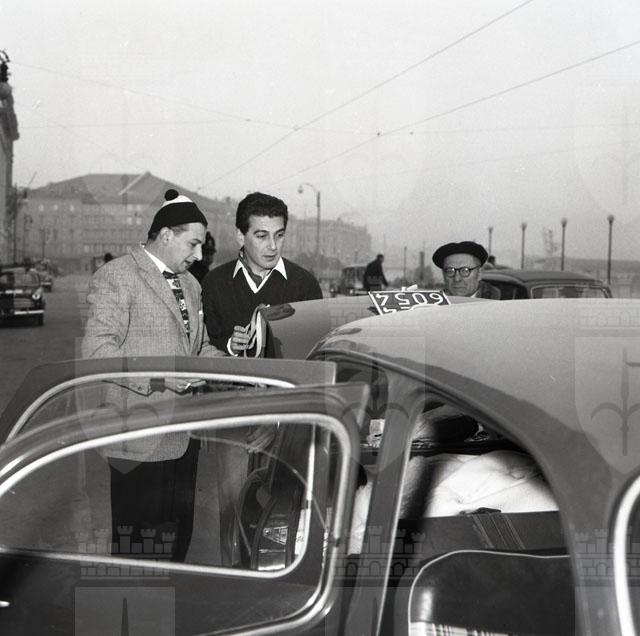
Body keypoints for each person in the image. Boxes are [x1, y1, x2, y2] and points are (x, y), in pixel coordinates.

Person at [82, 188, 225, 561]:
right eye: (193, 244)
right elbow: (97, 352)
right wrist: (159, 378)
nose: (199, 255)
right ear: (165, 235)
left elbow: (198, 348)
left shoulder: (191, 285)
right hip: (137, 444)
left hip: (184, 441)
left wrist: (232, 365)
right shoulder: (117, 276)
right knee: (138, 553)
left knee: (176, 546)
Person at [201, 191, 322, 563]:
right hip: (233, 420)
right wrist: (230, 347)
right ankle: (235, 580)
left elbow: (313, 362)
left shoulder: (303, 285)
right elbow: (202, 357)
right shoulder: (214, 284)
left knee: (287, 516)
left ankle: (284, 581)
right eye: (261, 235)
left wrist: (278, 420)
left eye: (279, 235)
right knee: (233, 514)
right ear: (240, 236)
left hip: (288, 422)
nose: (273, 246)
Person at [432, 241, 501, 299]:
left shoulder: (501, 302)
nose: (457, 279)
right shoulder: (434, 305)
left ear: (479, 273)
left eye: (465, 270)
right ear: (443, 274)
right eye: (450, 271)